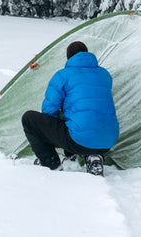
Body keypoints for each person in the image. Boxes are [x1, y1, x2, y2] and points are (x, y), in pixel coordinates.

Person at [21, 40, 119, 176]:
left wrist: (57, 135)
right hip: (109, 140)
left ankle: (52, 163)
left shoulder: (63, 75)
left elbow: (49, 111)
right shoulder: (104, 74)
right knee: (90, 119)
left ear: (69, 58)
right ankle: (94, 156)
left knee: (29, 119)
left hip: (79, 139)